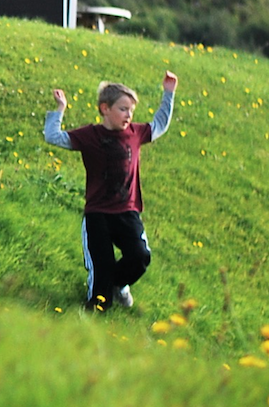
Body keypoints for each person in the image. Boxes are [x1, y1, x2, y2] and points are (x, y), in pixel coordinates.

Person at [44, 73, 177, 309]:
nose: (129, 115)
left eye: (131, 111)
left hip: (127, 212)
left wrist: (169, 93)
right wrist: (60, 109)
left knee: (140, 256)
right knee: (100, 287)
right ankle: (95, 310)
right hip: (98, 215)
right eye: (123, 109)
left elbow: (159, 125)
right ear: (105, 109)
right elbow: (53, 136)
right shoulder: (89, 136)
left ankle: (118, 285)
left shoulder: (135, 133)